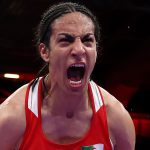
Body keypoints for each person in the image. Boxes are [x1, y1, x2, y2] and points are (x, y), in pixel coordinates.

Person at [0, 2, 135, 150]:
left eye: (87, 40)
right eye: (66, 40)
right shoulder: (10, 118)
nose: (79, 49)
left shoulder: (117, 119)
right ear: (45, 52)